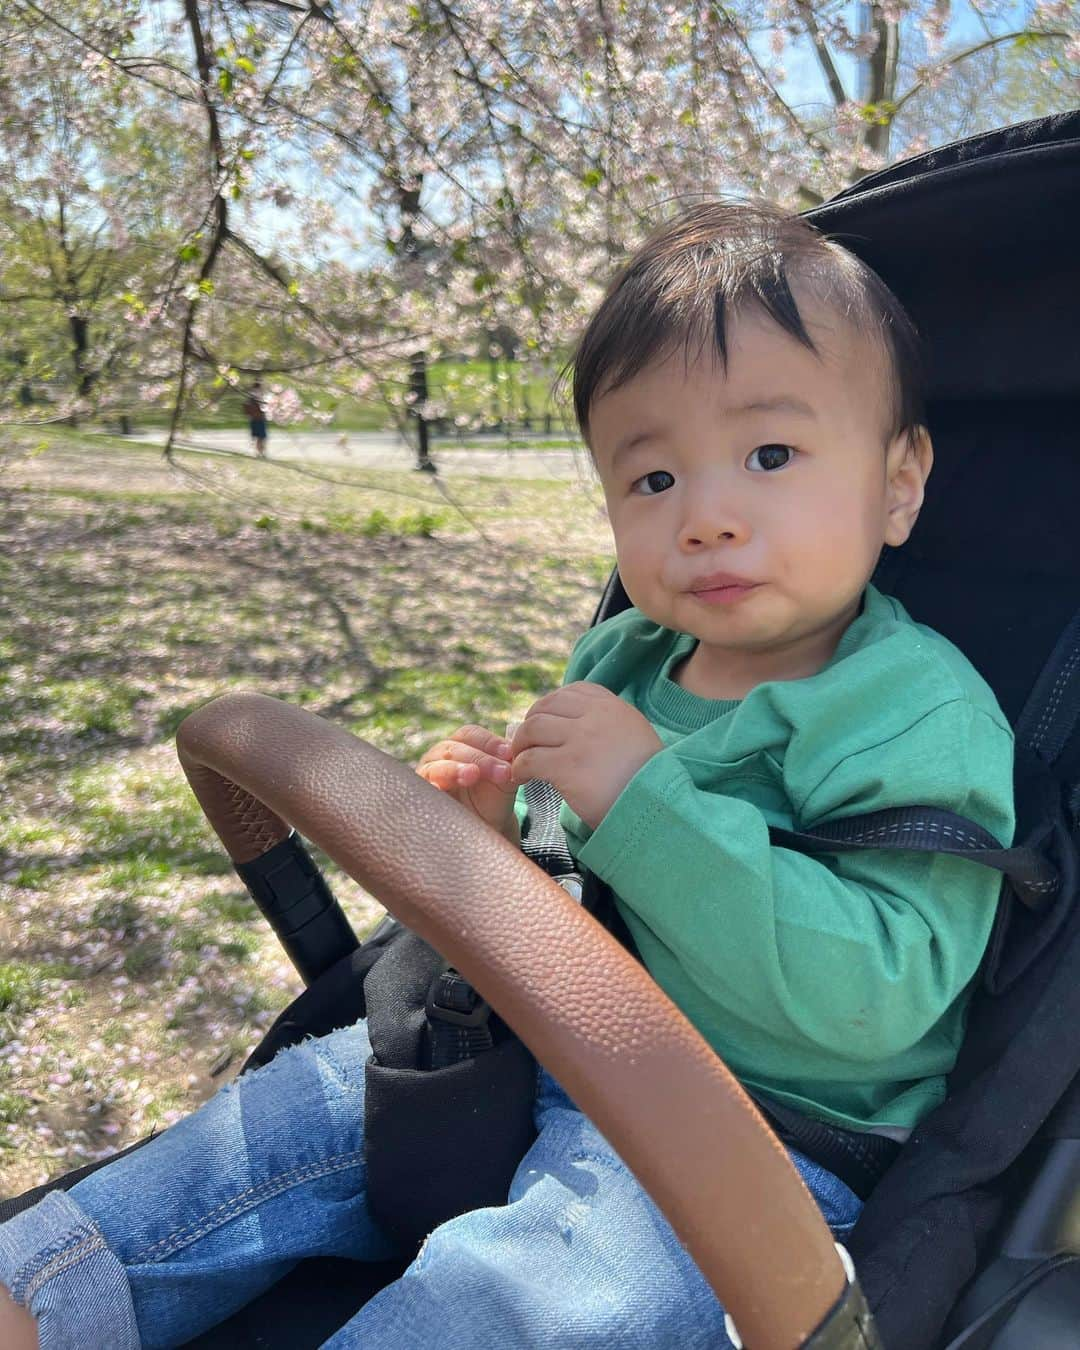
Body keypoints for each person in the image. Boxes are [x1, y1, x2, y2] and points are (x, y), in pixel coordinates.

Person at [0, 201, 1015, 1349]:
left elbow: (875, 1004)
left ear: (899, 483)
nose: (707, 518)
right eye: (651, 480)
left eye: (769, 455)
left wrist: (644, 808)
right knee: (280, 1127)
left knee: (515, 1305)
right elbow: (565, 880)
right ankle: (38, 1289)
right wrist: (492, 833)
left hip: (749, 1142)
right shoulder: (626, 657)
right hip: (536, 1037)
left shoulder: (912, 711)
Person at [243, 380, 268, 458]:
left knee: (259, 437)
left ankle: (260, 452)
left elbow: (247, 409)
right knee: (261, 437)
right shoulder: (256, 397)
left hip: (256, 419)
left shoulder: (252, 397)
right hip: (258, 419)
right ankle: (260, 452)